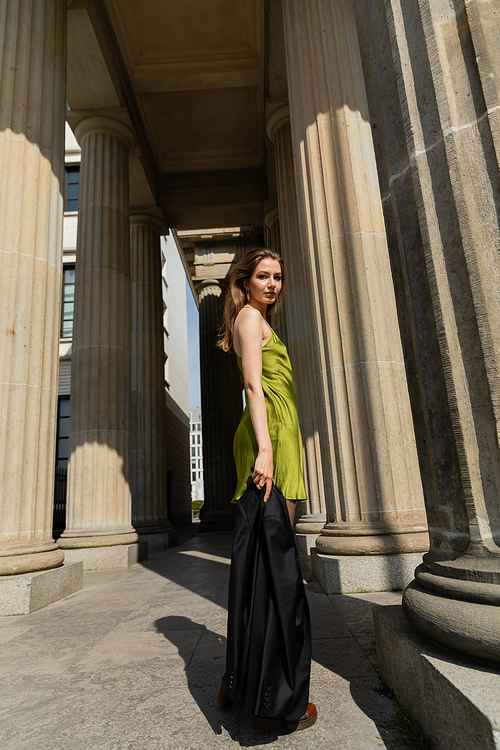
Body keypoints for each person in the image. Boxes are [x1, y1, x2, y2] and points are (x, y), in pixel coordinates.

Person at [215, 247, 317, 734]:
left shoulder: (255, 318)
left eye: (277, 276)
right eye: (263, 276)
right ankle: (270, 701)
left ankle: (240, 681)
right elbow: (253, 387)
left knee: (265, 567)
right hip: (270, 435)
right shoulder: (251, 318)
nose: (272, 283)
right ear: (246, 281)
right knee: (276, 574)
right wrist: (266, 450)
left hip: (280, 436)